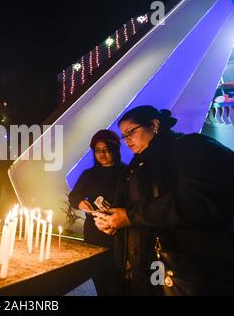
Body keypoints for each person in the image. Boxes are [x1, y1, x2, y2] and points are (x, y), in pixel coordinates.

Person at [93, 105, 234, 295]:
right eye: (122, 135)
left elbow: (196, 200)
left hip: (182, 273)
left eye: (130, 132)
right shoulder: (134, 167)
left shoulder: (190, 147)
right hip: (141, 272)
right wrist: (112, 221)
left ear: (154, 124)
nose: (126, 139)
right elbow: (128, 209)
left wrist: (130, 216)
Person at [68, 129, 126, 295]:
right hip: (94, 231)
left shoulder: (125, 173)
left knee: (118, 277)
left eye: (106, 150)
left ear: (115, 150)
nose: (102, 154)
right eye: (98, 150)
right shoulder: (89, 174)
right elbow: (73, 197)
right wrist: (80, 203)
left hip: (119, 231)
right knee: (99, 275)